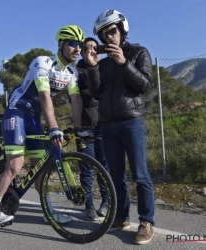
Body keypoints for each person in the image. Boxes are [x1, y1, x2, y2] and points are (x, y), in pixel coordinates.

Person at [0, 25, 85, 225]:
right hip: (17, 112)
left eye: (80, 45)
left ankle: (48, 212)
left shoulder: (72, 73)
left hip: (33, 118)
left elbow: (75, 101)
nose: (78, 49)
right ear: (60, 44)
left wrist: (78, 129)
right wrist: (54, 127)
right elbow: (44, 95)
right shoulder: (43, 62)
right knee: (15, 165)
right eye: (73, 44)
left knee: (39, 169)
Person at [83, 9, 155, 245]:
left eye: (112, 31)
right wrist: (92, 67)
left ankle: (146, 221)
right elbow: (96, 92)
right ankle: (121, 217)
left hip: (132, 121)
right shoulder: (103, 64)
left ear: (122, 30)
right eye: (104, 34)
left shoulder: (138, 52)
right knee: (116, 175)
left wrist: (124, 63)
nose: (108, 37)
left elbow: (144, 85)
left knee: (140, 175)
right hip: (107, 124)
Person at [74, 37, 110, 220]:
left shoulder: (103, 67)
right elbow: (80, 97)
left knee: (105, 167)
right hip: (85, 127)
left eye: (93, 47)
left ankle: (106, 202)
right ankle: (88, 205)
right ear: (80, 51)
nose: (90, 50)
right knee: (87, 169)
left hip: (103, 125)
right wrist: (77, 127)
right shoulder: (76, 70)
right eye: (86, 48)